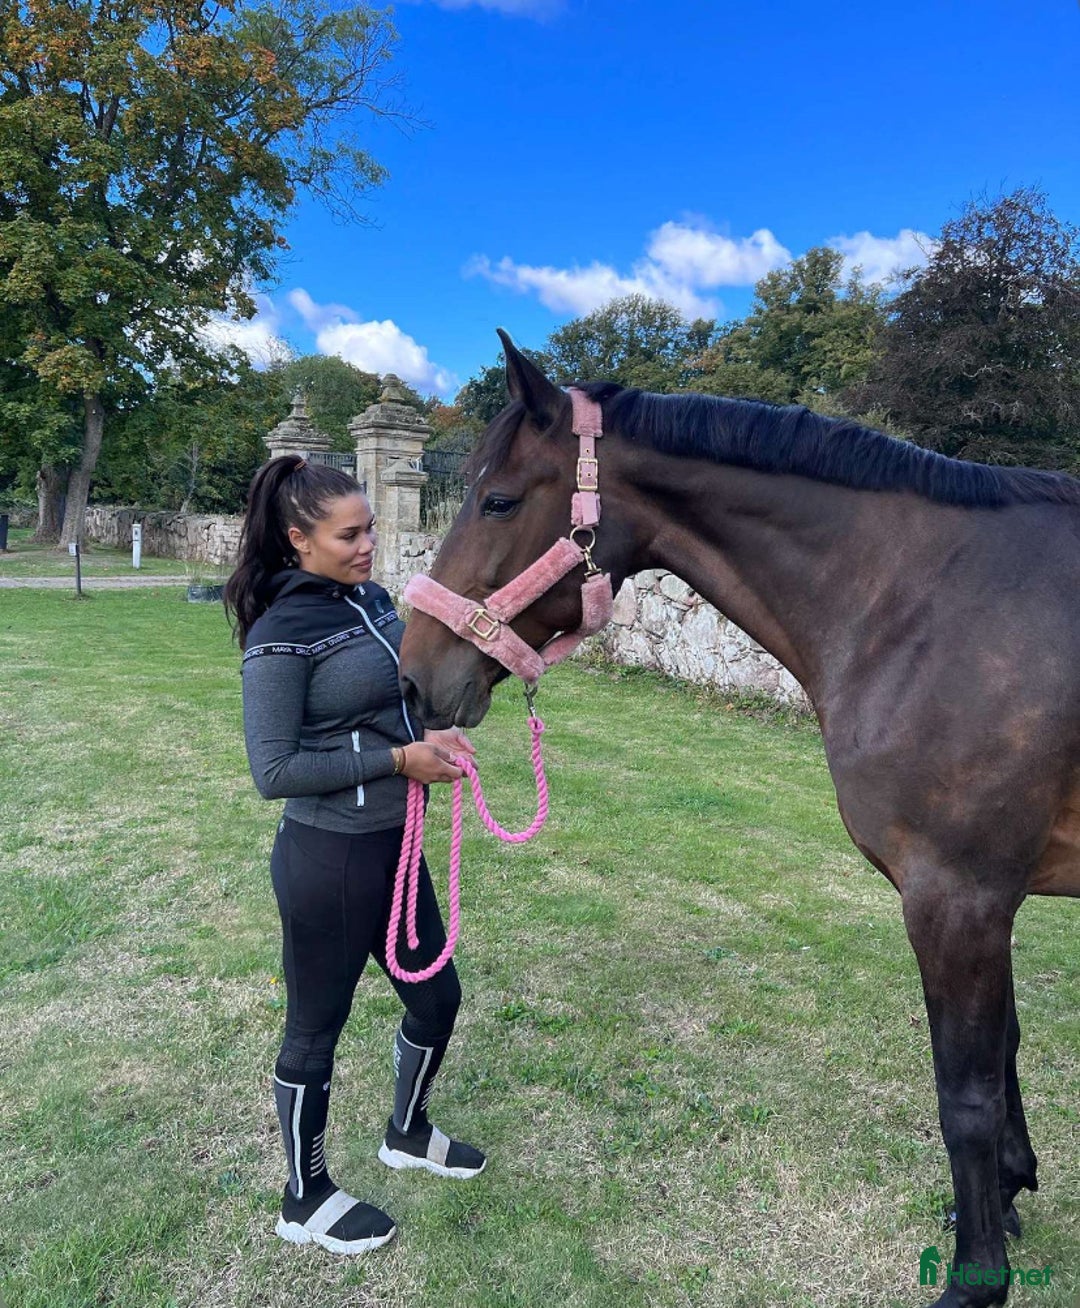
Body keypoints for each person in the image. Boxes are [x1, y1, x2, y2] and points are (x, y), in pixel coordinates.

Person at [224, 455, 485, 1257]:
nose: (371, 544)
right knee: (315, 1030)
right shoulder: (281, 635)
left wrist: (427, 737)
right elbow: (274, 772)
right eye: (350, 534)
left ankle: (406, 1131)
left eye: (371, 526)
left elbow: (394, 702)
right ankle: (303, 1197)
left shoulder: (371, 602)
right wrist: (395, 763)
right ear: (298, 538)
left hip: (395, 849)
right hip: (327, 857)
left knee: (437, 997)